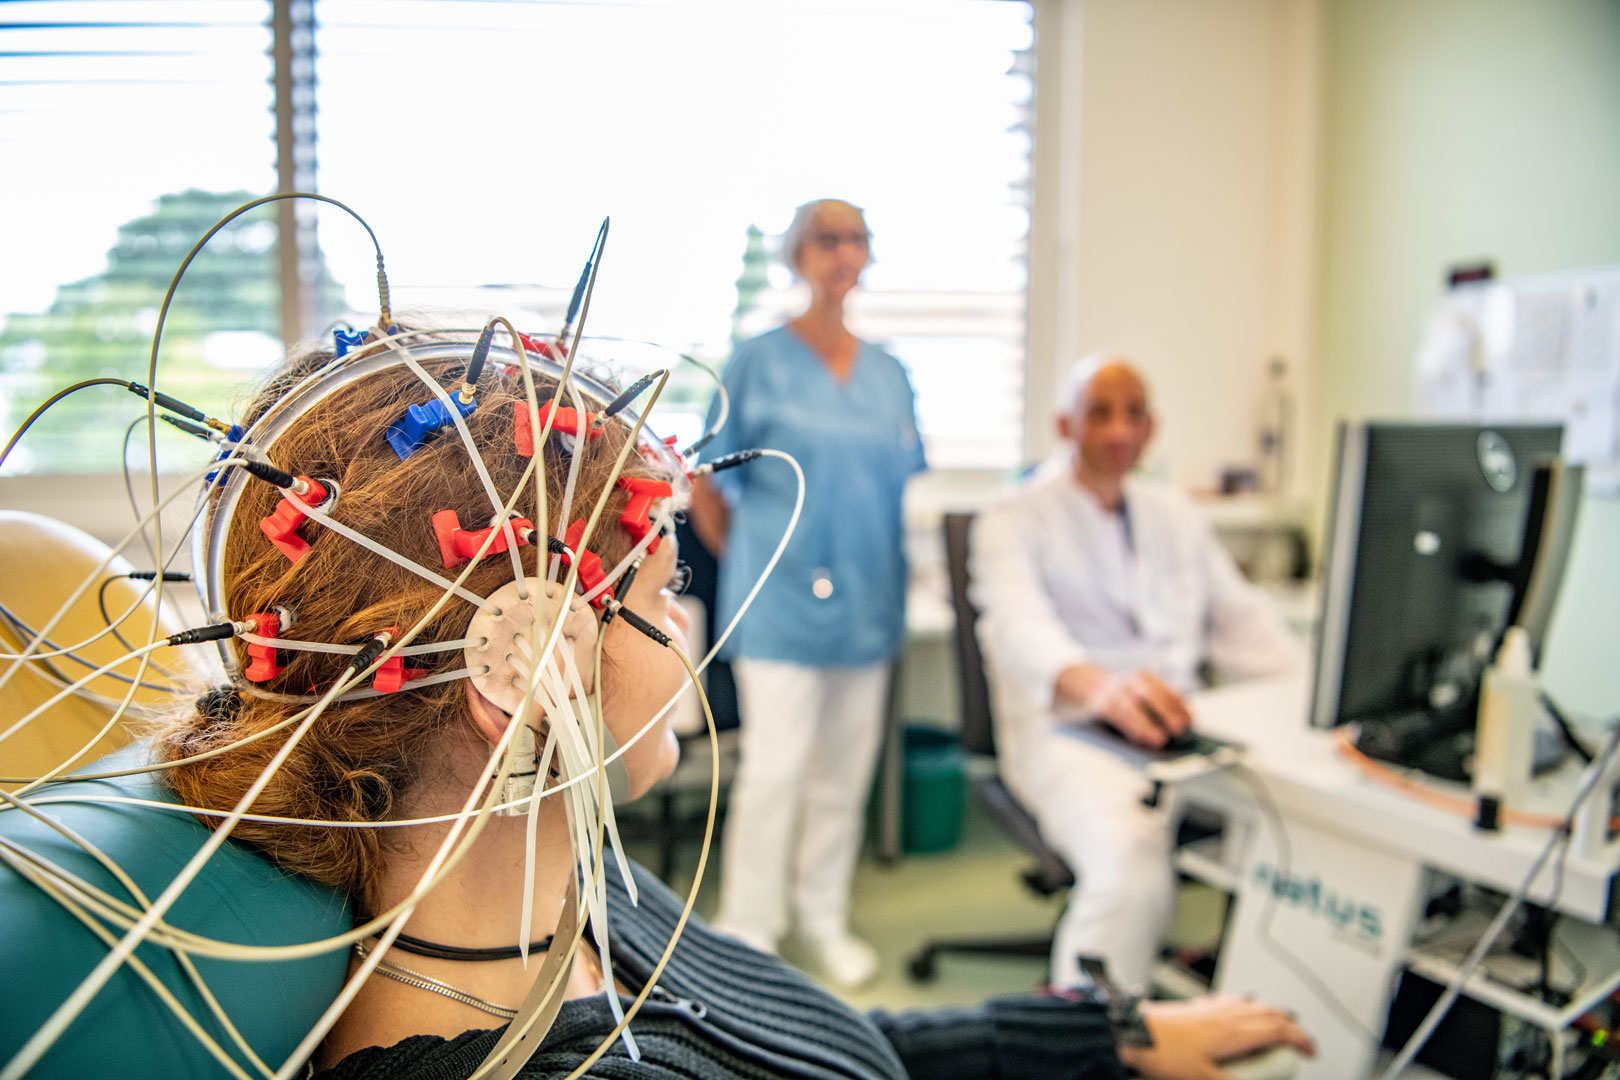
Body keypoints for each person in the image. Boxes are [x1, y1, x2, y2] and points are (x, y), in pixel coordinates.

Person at [97, 328, 1316, 1078]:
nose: (685, 629)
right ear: (523, 664)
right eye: (664, 589)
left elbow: (815, 1046)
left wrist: (1099, 1041)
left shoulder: (578, 893)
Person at [971, 355, 1307, 992]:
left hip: (1176, 727)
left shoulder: (1171, 512)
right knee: (1130, 868)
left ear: (1152, 427)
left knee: (1304, 825)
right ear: (1064, 424)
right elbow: (1019, 630)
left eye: (1134, 414)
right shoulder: (1014, 516)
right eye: (1100, 413)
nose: (1119, 430)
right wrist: (1106, 690)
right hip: (1071, 732)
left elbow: (1240, 621)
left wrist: (1320, 693)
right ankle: (1086, 1033)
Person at [688, 199, 925, 987]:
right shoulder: (756, 361)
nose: (842, 253)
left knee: (844, 775)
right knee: (776, 769)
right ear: (797, 255)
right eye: (826, 239)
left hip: (868, 597)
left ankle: (823, 915)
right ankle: (750, 928)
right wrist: (759, 564)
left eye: (855, 238)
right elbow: (708, 486)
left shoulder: (889, 373)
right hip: (778, 598)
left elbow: (899, 483)